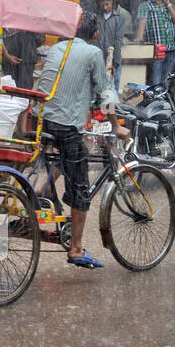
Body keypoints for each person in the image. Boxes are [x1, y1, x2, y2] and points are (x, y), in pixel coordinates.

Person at [35, 14, 110, 269]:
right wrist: (118, 125)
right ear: (95, 34)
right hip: (66, 124)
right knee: (81, 186)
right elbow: (104, 92)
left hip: (43, 120)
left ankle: (40, 189)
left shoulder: (58, 47)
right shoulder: (93, 53)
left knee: (68, 154)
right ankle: (76, 249)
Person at [135, 0, 175, 86]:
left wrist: (168, 4)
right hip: (156, 52)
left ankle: (163, 103)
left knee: (166, 83)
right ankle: (156, 102)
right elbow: (142, 21)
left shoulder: (170, 7)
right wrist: (139, 37)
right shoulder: (145, 6)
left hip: (171, 50)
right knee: (156, 83)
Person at [1, 0, 41, 90]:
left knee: (25, 85)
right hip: (10, 49)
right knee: (11, 85)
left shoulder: (26, 3)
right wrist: (7, 55)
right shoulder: (2, 5)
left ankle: (25, 105)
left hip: (25, 50)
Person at [94, 0, 131, 90]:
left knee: (114, 86)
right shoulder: (96, 18)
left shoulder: (119, 19)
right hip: (98, 59)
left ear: (111, 1)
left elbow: (118, 41)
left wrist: (115, 63)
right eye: (102, 5)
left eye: (107, 4)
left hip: (114, 59)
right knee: (98, 87)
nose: (105, 8)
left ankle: (113, 105)